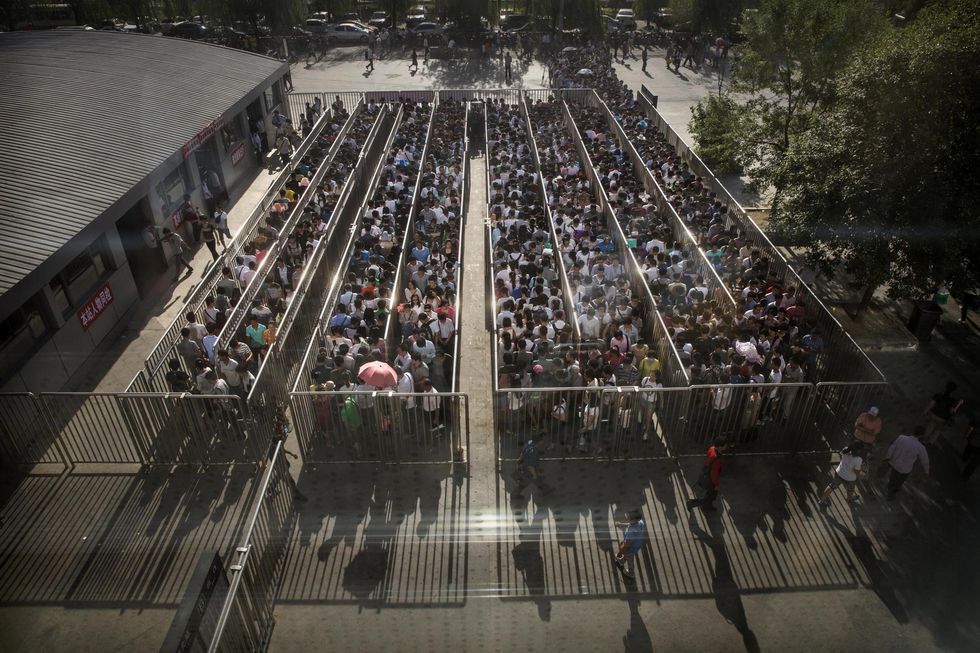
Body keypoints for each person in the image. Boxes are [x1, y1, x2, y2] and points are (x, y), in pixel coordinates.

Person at [885, 425, 930, 498]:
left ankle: (890, 487)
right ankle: (893, 492)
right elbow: (925, 460)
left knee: (893, 477)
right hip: (906, 469)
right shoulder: (921, 447)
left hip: (895, 464)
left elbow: (892, 447)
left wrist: (887, 457)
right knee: (900, 481)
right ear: (922, 435)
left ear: (913, 431)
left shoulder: (901, 437)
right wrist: (926, 471)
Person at [686, 437, 729, 512]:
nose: (726, 446)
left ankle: (707, 507)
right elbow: (714, 474)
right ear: (720, 447)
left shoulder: (712, 448)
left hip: (705, 474)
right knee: (710, 496)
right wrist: (716, 484)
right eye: (725, 445)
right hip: (710, 479)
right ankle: (692, 503)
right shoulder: (717, 459)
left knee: (710, 495)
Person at [818, 442, 866, 507]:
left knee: (831, 487)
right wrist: (860, 471)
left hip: (839, 473)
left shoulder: (845, 449)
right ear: (859, 450)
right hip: (850, 478)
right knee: (850, 489)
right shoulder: (858, 459)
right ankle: (849, 499)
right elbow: (856, 471)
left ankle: (821, 501)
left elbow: (841, 455)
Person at [922, 381, 963, 445]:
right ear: (953, 391)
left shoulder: (938, 395)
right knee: (938, 430)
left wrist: (925, 412)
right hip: (943, 419)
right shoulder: (952, 401)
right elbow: (952, 412)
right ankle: (930, 442)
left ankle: (924, 440)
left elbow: (931, 405)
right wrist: (959, 404)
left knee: (930, 427)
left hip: (934, 414)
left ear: (946, 387)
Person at [614, 510, 646, 580]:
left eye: (628, 516)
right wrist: (621, 524)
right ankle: (621, 561)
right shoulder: (640, 522)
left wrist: (620, 552)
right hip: (637, 544)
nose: (626, 516)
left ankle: (631, 573)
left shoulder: (631, 532)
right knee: (627, 556)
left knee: (630, 560)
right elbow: (631, 524)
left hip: (630, 549)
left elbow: (627, 544)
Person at [962, 414, 979, 479]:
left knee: (969, 448)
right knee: (975, 462)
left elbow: (970, 428)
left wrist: (966, 435)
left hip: (973, 439)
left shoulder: (977, 417)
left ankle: (965, 457)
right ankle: (966, 475)